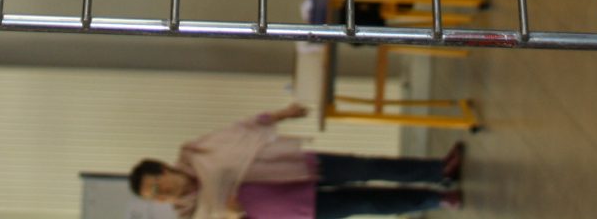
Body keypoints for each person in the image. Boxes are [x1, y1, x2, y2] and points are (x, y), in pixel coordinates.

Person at [130, 103, 463, 218]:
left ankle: (439, 170)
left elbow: (236, 134)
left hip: (292, 166)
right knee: (367, 203)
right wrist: (235, 215)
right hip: (291, 209)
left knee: (367, 167)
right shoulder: (192, 215)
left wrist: (280, 115)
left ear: (163, 168)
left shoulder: (194, 153)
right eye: (154, 197)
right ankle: (437, 199)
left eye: (157, 186)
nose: (162, 195)